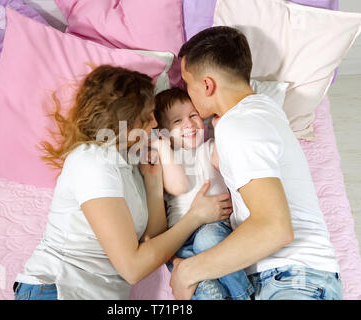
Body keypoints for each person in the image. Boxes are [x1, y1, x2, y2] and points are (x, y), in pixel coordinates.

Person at [13, 65, 232, 300]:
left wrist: (153, 181)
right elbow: (133, 268)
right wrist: (195, 217)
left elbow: (152, 241)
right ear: (125, 121)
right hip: (59, 288)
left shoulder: (131, 160)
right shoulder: (93, 162)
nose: (155, 124)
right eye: (147, 117)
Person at [169, 26, 343, 300]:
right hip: (284, 278)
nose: (187, 93)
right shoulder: (262, 111)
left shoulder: (239, 126)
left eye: (187, 84)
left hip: (291, 279)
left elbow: (274, 228)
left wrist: (187, 271)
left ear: (207, 85)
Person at [152, 87, 254, 300]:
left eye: (193, 115)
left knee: (206, 240)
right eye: (177, 122)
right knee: (208, 291)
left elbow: (223, 161)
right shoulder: (166, 159)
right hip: (180, 240)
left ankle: (244, 294)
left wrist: (219, 127)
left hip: (214, 228)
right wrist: (163, 147)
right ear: (164, 132)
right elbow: (178, 186)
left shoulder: (208, 149)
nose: (188, 124)